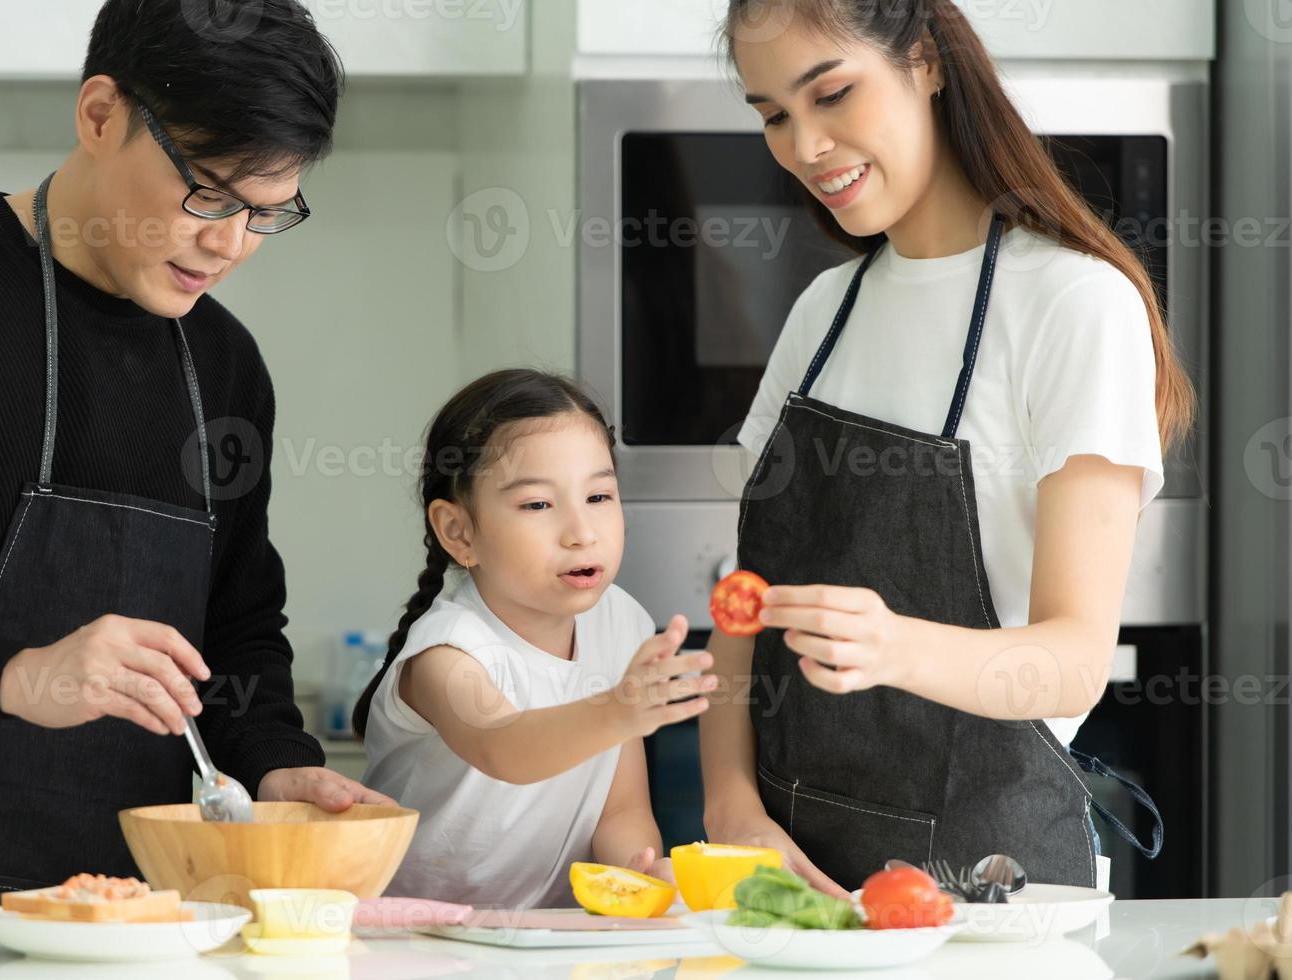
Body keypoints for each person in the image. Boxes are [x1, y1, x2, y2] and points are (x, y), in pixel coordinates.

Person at [0, 0, 391, 916]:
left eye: (266, 214)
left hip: (134, 926)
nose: (229, 244)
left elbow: (238, 626)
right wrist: (11, 672)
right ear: (99, 115)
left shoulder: (226, 367)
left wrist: (277, 765)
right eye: (206, 192)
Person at [699, 0, 1184, 894]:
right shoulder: (822, 315)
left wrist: (893, 647)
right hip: (786, 876)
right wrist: (728, 798)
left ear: (924, 62)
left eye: (833, 94)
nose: (805, 146)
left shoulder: (1074, 305)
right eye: (773, 115)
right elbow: (743, 590)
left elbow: (1074, 657)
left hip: (984, 884)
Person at [354, 370, 714, 908]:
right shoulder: (447, 651)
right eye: (538, 505)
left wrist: (639, 871)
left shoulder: (620, 624)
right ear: (459, 532)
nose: (581, 531)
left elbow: (621, 810)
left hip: (550, 936)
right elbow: (505, 748)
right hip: (418, 937)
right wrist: (619, 709)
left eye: (598, 495)